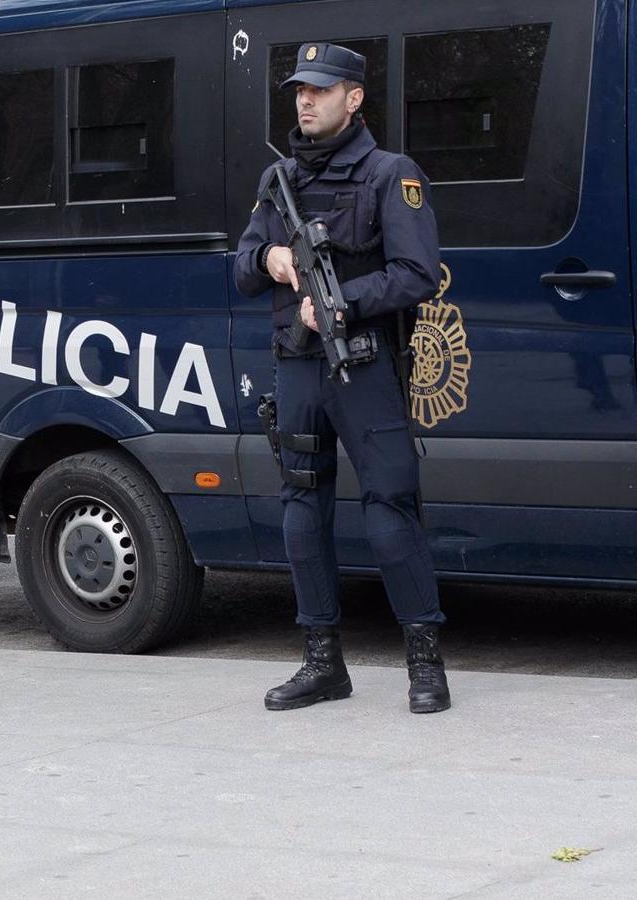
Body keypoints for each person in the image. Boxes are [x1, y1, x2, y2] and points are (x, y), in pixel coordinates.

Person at [234, 43, 451, 714]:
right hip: (297, 368)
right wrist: (270, 258)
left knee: (390, 509)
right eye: (300, 88)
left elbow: (419, 272)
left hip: (363, 365)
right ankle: (322, 662)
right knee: (301, 514)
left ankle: (425, 663)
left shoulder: (390, 174)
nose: (305, 99)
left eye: (321, 89)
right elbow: (238, 266)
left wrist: (344, 302)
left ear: (353, 98)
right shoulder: (279, 183)